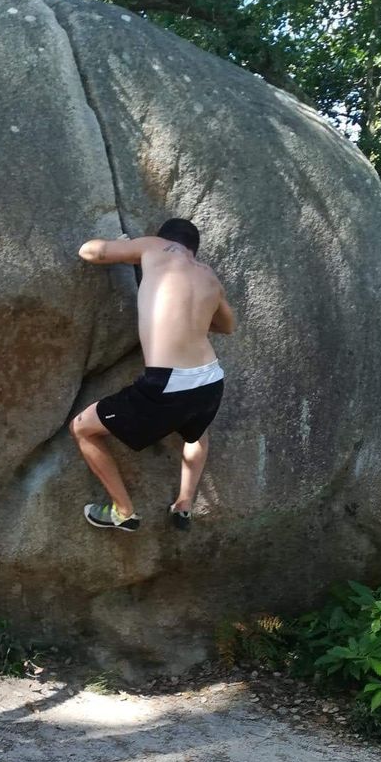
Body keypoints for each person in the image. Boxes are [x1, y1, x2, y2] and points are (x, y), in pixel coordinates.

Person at [70, 218, 235, 532]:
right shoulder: (208, 276)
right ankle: (184, 503)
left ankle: (123, 511)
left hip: (169, 383)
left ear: (163, 238)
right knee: (196, 430)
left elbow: (89, 252)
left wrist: (131, 252)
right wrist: (195, 317)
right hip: (211, 379)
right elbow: (228, 326)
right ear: (194, 250)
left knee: (82, 429)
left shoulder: (153, 247)